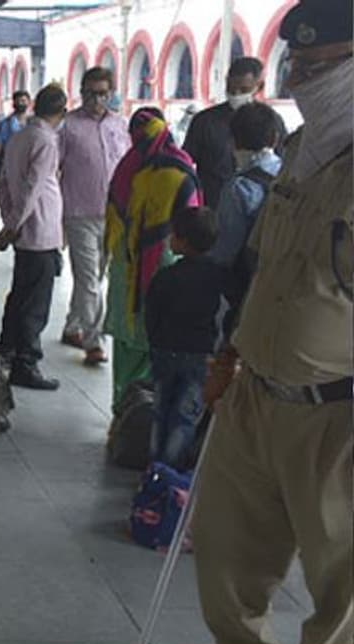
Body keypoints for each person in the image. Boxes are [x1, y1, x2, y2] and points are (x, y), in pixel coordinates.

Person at [194, 0, 353, 644]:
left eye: (323, 66)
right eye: (299, 66)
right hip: (252, 396)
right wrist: (232, 351)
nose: (305, 81)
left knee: (342, 604)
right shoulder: (298, 148)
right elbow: (270, 269)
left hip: (336, 419)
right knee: (223, 572)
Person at [102, 107, 201, 408]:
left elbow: (113, 222)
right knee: (155, 341)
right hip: (164, 267)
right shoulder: (181, 169)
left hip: (125, 270)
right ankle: (146, 415)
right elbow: (194, 218)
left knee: (126, 345)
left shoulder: (126, 169)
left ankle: (123, 410)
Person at [0, 84, 68, 390]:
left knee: (20, 294)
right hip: (40, 230)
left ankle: (6, 350)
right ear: (61, 111)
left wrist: (9, 220)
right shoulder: (46, 140)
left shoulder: (20, 135)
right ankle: (26, 362)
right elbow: (33, 188)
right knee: (35, 301)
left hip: (24, 229)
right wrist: (12, 225)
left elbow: (5, 184)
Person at [58, 66, 130, 366]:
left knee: (95, 277)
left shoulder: (120, 126)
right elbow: (54, 169)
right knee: (88, 279)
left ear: (111, 93)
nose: (96, 100)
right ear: (81, 93)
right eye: (90, 93)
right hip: (78, 213)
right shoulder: (68, 126)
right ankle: (93, 342)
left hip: (112, 215)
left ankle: (73, 327)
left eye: (102, 94)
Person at [143, 207, 222, 467]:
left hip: (165, 350)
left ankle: (153, 469)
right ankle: (171, 470)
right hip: (199, 354)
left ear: (183, 241)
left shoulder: (166, 277)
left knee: (161, 409)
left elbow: (151, 315)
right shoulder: (218, 278)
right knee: (185, 416)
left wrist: (155, 342)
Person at [209, 102, 283, 340]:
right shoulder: (290, 177)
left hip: (244, 286)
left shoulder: (238, 189)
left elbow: (225, 252)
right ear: (274, 138)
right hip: (284, 280)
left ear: (233, 142)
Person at [181, 56, 288, 211]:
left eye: (244, 90)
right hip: (213, 208)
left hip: (258, 211)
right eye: (231, 89)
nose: (236, 95)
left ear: (259, 86)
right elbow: (186, 163)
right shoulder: (205, 121)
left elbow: (282, 164)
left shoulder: (271, 121)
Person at [0, 89, 30, 177]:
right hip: (9, 164)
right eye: (18, 101)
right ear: (13, 104)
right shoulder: (6, 123)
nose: (20, 104)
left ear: (28, 102)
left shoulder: (33, 123)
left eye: (23, 101)